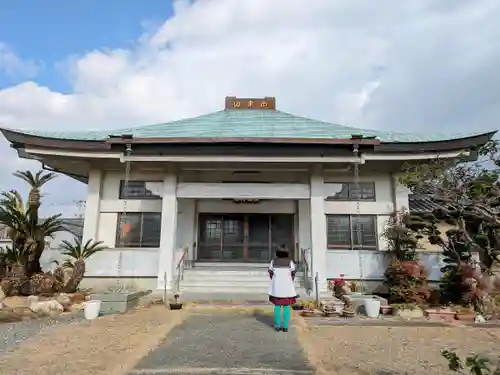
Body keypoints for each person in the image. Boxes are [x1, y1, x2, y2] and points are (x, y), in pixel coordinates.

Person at [268, 246, 298, 332]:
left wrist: (275, 280)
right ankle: (285, 326)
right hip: (287, 288)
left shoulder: (273, 262)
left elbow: (270, 273)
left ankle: (277, 326)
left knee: (277, 306)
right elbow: (293, 272)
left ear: (277, 253)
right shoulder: (290, 262)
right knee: (286, 306)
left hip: (276, 289)